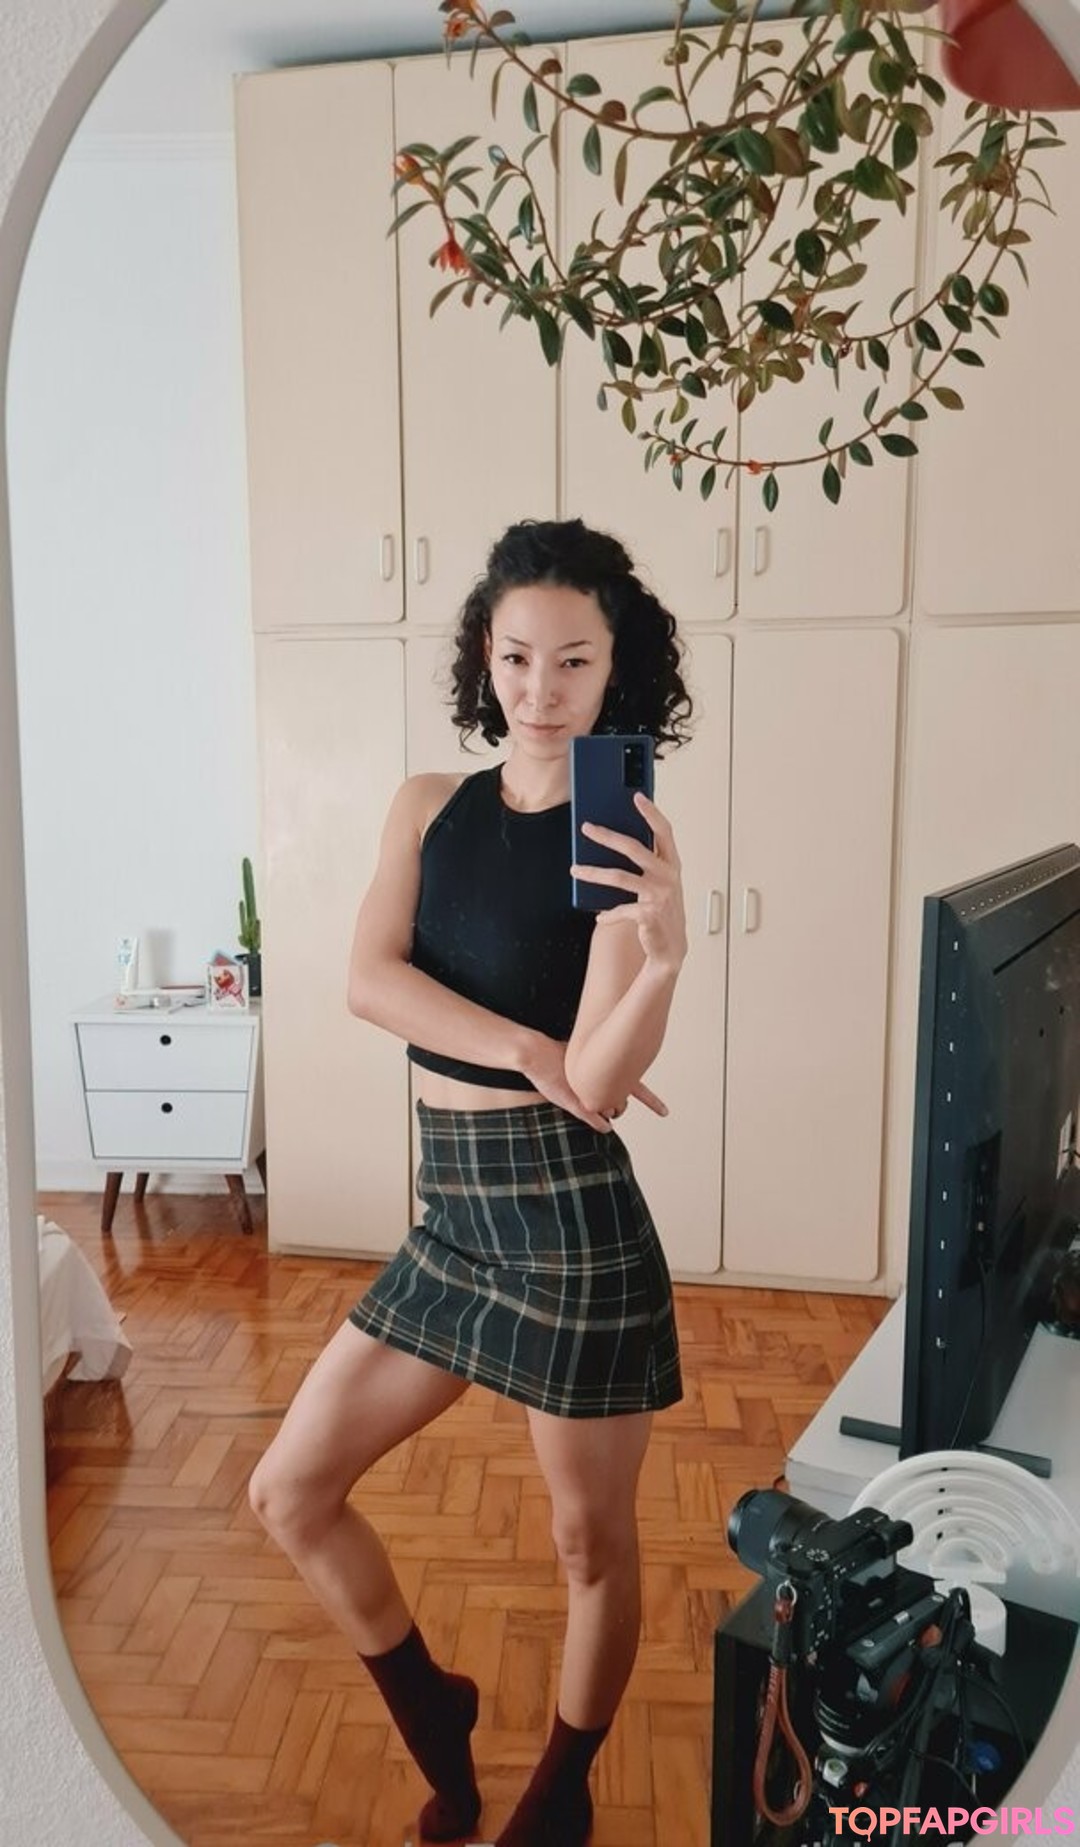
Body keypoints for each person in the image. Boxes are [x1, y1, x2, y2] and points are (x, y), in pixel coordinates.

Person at [249, 518, 694, 1847]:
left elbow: (600, 1084)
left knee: (586, 1545)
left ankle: (563, 1792)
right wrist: (524, 1045)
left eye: (574, 661)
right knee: (288, 1493)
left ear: (617, 668)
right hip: (453, 1213)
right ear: (483, 657)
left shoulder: (621, 825)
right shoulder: (426, 806)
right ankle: (434, 1710)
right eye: (515, 657)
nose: (540, 689)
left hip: (569, 1221)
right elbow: (366, 979)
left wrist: (664, 961)